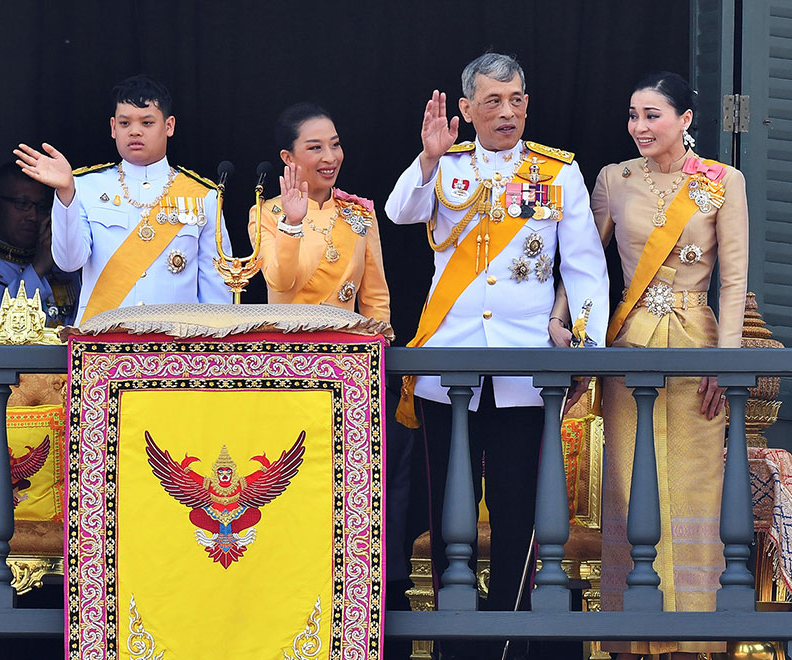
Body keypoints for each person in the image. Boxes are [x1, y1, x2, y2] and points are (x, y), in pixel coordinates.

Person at [384, 52, 608, 659]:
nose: (506, 113)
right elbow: (398, 212)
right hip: (447, 371)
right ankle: (455, 644)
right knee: (447, 517)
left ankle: (508, 641)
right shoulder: (445, 167)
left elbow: (585, 267)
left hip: (524, 373)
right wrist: (428, 157)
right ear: (466, 109)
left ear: (527, 103)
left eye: (516, 101)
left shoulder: (557, 173)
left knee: (518, 513)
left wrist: (583, 349)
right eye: (492, 102)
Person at [550, 72, 747, 660]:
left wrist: (729, 360)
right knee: (630, 489)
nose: (639, 127)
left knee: (694, 492)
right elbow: (584, 259)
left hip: (697, 349)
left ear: (686, 119)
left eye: (653, 114)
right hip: (629, 343)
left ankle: (696, 639)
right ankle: (630, 638)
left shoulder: (722, 183)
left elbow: (734, 279)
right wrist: (562, 319)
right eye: (633, 115)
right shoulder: (614, 179)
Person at [13, 74, 232, 324]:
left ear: (169, 126)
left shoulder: (204, 196)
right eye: (125, 123)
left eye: (147, 123)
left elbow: (216, 290)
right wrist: (64, 192)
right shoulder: (85, 186)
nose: (135, 131)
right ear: (113, 128)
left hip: (176, 348)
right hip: (103, 343)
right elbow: (68, 262)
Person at [249, 102, 390, 323]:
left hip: (345, 351)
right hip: (289, 351)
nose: (330, 157)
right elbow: (280, 281)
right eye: (315, 148)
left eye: (335, 145)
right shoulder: (266, 214)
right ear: (288, 157)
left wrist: (378, 347)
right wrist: (292, 223)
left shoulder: (360, 214)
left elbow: (375, 299)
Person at [0, 163, 79, 337]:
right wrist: (36, 271)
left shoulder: (65, 264)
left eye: (41, 207)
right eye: (22, 204)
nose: (33, 216)